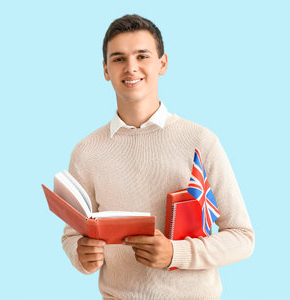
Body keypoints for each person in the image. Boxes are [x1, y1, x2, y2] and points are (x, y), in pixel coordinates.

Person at [61, 14, 254, 299]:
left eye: (142, 56)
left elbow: (242, 237)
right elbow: (72, 236)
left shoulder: (200, 141)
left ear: (162, 63)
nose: (131, 68)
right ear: (105, 70)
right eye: (118, 59)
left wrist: (176, 253)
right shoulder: (87, 151)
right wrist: (81, 255)